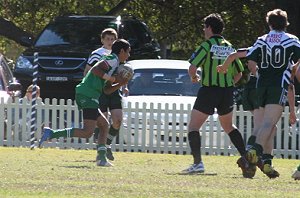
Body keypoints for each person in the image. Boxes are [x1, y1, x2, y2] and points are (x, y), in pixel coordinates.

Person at [217, 9, 300, 178]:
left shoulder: (262, 40)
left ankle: (264, 161)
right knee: (269, 123)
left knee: (264, 126)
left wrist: (230, 67)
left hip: (261, 86)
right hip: (279, 85)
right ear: (286, 23)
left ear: (269, 23)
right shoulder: (292, 40)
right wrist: (294, 67)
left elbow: (251, 60)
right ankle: (253, 153)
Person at [39, 39, 131, 167]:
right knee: (88, 132)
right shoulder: (113, 59)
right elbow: (95, 70)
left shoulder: (114, 64)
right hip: (87, 93)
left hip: (90, 94)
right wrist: (113, 78)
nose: (128, 56)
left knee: (104, 125)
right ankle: (52, 133)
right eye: (128, 52)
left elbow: (107, 90)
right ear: (121, 51)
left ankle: (101, 158)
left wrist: (120, 83)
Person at [182, 13, 246, 174]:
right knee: (229, 126)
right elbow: (239, 73)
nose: (204, 30)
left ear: (209, 28)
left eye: (205, 27)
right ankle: (246, 158)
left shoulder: (207, 45)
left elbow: (192, 67)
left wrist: (194, 77)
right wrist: (228, 85)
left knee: (193, 126)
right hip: (226, 92)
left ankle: (197, 164)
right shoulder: (229, 47)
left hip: (209, 90)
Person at [84, 28, 126, 161]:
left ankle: (106, 145)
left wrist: (124, 86)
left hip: (113, 91)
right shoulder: (97, 54)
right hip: (100, 91)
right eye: (107, 39)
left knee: (118, 121)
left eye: (112, 39)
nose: (110, 41)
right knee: (103, 121)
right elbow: (89, 71)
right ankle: (100, 149)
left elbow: (122, 73)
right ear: (102, 40)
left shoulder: (119, 54)